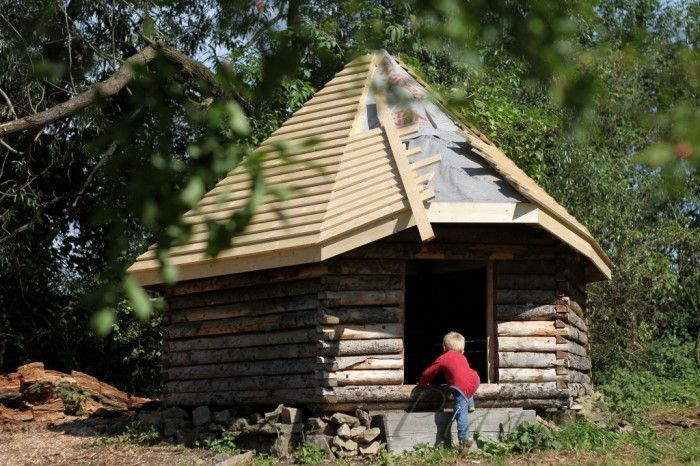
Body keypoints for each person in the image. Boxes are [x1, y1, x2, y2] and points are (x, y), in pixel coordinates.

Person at [418, 331, 480, 453]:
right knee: (468, 385)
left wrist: (423, 384)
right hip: (475, 380)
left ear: (444, 348)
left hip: (460, 388)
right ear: (462, 350)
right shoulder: (463, 357)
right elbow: (464, 375)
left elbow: (428, 373)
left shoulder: (443, 358)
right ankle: (470, 403)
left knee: (460, 413)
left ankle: (464, 439)